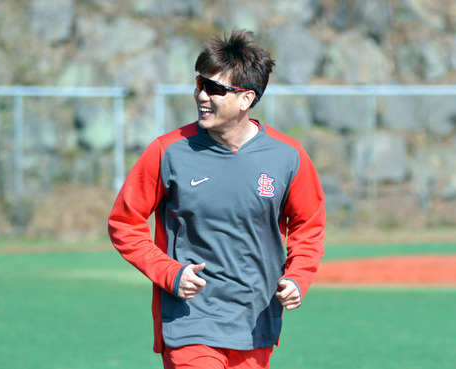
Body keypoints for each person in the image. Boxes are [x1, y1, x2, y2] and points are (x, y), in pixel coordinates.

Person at [108, 29, 326, 369]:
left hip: (256, 324)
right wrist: (170, 273)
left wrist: (298, 276)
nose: (202, 96)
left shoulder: (289, 156)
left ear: (246, 99)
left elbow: (308, 226)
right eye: (199, 84)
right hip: (190, 321)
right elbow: (124, 222)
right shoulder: (167, 151)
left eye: (215, 89)